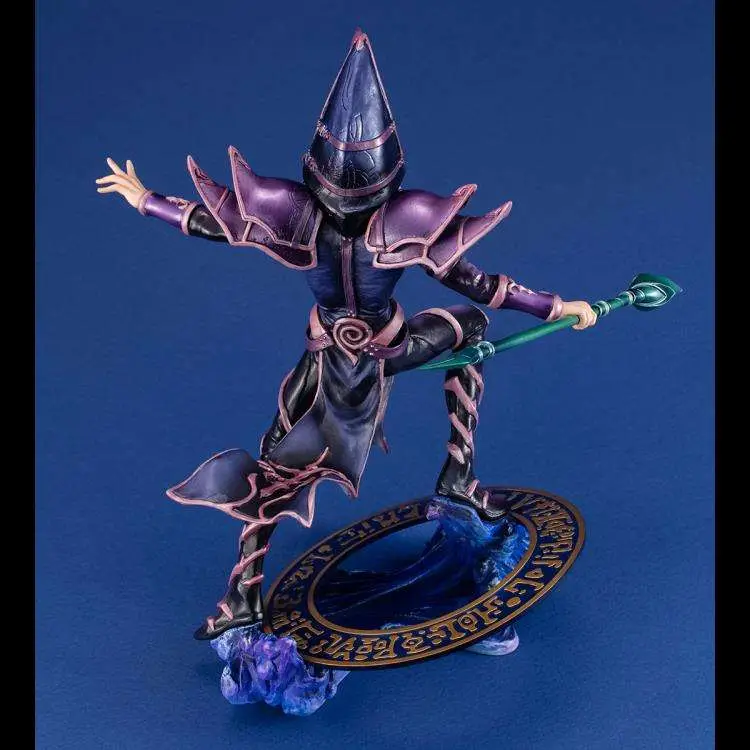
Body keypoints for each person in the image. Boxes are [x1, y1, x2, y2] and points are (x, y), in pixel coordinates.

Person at [97, 28, 596, 640]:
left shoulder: (300, 219)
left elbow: (214, 222)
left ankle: (251, 593)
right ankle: (452, 478)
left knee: (278, 464)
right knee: (283, 461)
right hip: (375, 354)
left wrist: (146, 200)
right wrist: (555, 307)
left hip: (346, 356)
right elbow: (480, 286)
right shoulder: (369, 222)